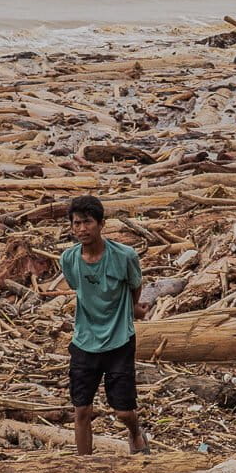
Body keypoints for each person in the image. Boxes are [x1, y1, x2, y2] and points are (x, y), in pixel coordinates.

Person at [59, 195, 148, 455]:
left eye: (87, 222)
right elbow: (79, 287)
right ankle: (83, 466)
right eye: (76, 223)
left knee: (123, 411)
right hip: (84, 341)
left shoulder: (124, 256)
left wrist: (130, 310)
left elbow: (134, 286)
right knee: (82, 409)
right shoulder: (69, 259)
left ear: (101, 224)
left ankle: (135, 431)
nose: (82, 229)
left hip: (119, 340)